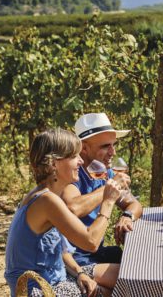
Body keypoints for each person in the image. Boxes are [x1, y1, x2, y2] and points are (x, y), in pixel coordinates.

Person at [5, 128, 120, 297]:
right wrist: (108, 201)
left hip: (57, 277)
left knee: (124, 275)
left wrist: (80, 273)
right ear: (54, 164)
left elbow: (61, 250)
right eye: (74, 156)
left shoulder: (47, 195)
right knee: (117, 289)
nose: (81, 161)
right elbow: (91, 242)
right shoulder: (47, 201)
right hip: (40, 289)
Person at [62, 113, 143, 267]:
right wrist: (109, 188)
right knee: (132, 273)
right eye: (106, 146)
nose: (113, 152)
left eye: (114, 145)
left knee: (139, 260)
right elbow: (73, 208)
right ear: (84, 148)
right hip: (75, 260)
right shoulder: (72, 175)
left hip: (97, 253)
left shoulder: (105, 173)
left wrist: (127, 216)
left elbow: (135, 205)